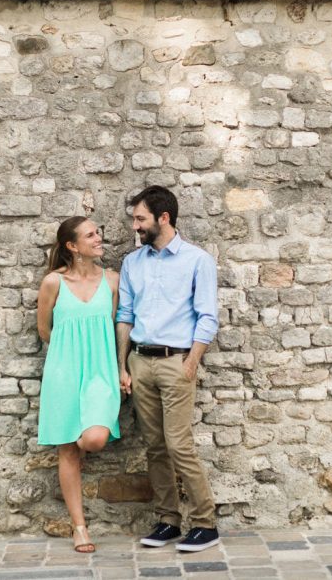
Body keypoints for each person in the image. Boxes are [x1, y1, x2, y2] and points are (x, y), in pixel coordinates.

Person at [116, 185, 220, 552]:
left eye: (140, 218)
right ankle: (167, 520)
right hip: (139, 362)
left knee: (179, 445)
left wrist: (191, 363)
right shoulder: (133, 262)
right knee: (155, 447)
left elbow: (208, 317)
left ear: (164, 218)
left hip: (177, 362)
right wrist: (122, 366)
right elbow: (125, 316)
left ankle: (206, 523)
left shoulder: (197, 260)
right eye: (134, 219)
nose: (135, 226)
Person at [37, 216, 121, 554]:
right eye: (91, 235)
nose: (99, 238)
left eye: (98, 231)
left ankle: (82, 438)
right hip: (64, 372)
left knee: (94, 438)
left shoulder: (112, 281)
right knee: (68, 450)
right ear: (72, 246)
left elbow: (117, 327)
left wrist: (121, 369)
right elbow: (45, 330)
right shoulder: (52, 283)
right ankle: (80, 528)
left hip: (102, 371)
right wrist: (64, 361)